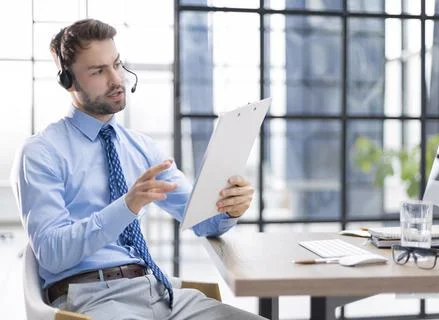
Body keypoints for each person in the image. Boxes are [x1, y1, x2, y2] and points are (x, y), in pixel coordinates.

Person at [11, 19, 265, 320]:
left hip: (159, 291)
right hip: (93, 300)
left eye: (116, 64)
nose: (116, 79)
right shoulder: (41, 152)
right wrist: (127, 205)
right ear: (69, 82)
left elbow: (201, 220)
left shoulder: (142, 148)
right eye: (98, 71)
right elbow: (52, 255)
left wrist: (228, 208)